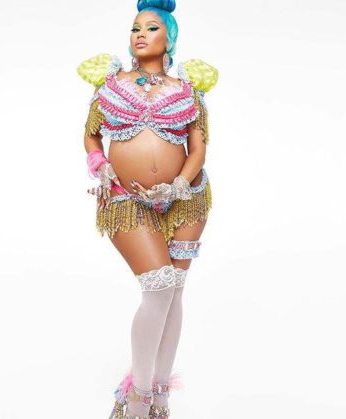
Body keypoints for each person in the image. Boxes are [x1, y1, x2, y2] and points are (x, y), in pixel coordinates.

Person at [77, 0, 218, 417]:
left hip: (187, 199)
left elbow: (198, 151)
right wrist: (99, 165)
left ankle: (160, 394)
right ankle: (136, 398)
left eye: (151, 27)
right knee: (158, 285)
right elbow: (91, 135)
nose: (140, 34)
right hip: (125, 198)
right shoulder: (110, 83)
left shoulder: (188, 90)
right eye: (135, 28)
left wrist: (177, 185)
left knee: (174, 292)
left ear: (169, 38)